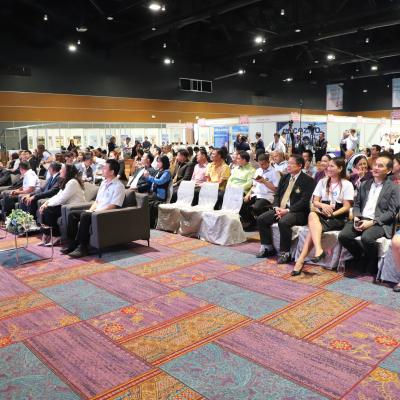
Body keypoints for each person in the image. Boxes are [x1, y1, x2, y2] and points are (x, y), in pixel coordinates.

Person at [338, 154, 400, 275]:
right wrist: (356, 217)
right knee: (343, 236)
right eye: (375, 165)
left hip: (379, 222)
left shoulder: (394, 188)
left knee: (367, 238)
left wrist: (372, 222)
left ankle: (372, 259)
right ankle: (360, 255)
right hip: (361, 218)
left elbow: (391, 212)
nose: (375, 168)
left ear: (388, 171)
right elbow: (357, 204)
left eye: (380, 166)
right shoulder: (364, 184)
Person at [292, 158, 354, 275]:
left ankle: (301, 260)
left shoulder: (347, 184)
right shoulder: (322, 182)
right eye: (328, 166)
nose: (328, 168)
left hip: (338, 215)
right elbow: (315, 201)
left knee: (312, 230)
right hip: (323, 212)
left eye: (332, 166)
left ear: (340, 168)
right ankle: (318, 250)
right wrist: (322, 206)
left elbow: (346, 207)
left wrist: (332, 214)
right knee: (312, 214)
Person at [256, 154, 315, 264]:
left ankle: (285, 253)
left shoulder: (308, 180)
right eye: (288, 163)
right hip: (281, 208)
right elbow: (277, 195)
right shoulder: (285, 177)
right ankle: (267, 247)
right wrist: (276, 207)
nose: (288, 166)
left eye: (291, 164)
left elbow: (304, 201)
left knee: (283, 222)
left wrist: (287, 211)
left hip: (298, 212)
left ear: (300, 166)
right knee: (261, 219)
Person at [62, 159, 126, 258]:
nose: (102, 169)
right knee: (72, 214)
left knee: (85, 215)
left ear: (112, 172)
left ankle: (83, 248)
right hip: (96, 211)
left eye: (105, 168)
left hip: (105, 214)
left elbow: (114, 206)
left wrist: (95, 212)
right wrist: (91, 210)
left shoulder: (119, 186)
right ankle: (73, 245)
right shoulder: (103, 183)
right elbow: (97, 201)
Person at [39, 164, 85, 245]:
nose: (60, 171)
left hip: (74, 207)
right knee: (46, 209)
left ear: (67, 172)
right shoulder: (67, 181)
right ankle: (46, 234)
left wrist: (47, 205)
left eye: (62, 169)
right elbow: (58, 195)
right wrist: (46, 203)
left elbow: (62, 199)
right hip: (66, 206)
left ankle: (56, 236)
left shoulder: (72, 182)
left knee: (49, 210)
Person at [241, 153, 280, 230]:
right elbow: (254, 185)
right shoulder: (258, 171)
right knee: (241, 203)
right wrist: (248, 194)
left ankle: (263, 223)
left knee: (257, 207)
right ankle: (252, 222)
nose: (261, 166)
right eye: (260, 164)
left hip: (267, 195)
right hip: (256, 194)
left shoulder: (274, 172)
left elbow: (276, 189)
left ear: (268, 162)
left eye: (263, 164)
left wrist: (264, 182)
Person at [143, 155, 172, 228]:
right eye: (157, 162)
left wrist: (149, 177)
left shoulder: (167, 172)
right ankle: (145, 222)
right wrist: (146, 177)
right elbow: (152, 181)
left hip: (160, 196)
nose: (157, 163)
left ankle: (150, 224)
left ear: (164, 162)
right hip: (154, 193)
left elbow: (160, 182)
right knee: (143, 200)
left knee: (147, 202)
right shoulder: (159, 171)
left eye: (159, 162)